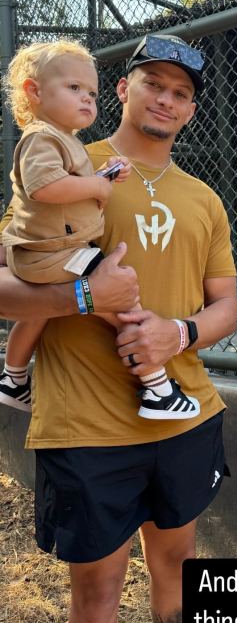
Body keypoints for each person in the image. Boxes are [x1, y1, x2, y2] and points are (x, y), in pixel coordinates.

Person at [2, 33, 237, 623]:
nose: (166, 99)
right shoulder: (68, 165)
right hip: (86, 425)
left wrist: (178, 334)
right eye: (153, 84)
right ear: (123, 90)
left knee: (179, 568)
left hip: (185, 415)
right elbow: (6, 283)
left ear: (191, 109)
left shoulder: (204, 199)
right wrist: (83, 295)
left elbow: (226, 307)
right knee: (98, 594)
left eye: (181, 92)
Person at [0, 39, 201, 421]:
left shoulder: (64, 141)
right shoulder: (42, 138)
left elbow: (67, 184)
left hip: (50, 249)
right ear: (34, 91)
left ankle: (13, 378)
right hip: (54, 252)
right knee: (122, 298)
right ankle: (157, 386)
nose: (86, 99)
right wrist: (86, 294)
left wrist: (101, 176)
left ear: (190, 111)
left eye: (90, 91)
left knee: (39, 313)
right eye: (74, 89)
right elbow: (46, 188)